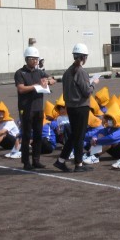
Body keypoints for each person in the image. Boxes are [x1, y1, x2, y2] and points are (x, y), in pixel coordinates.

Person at [54, 43, 96, 173]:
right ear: (84, 57)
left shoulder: (68, 72)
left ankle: (61, 160)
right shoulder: (81, 72)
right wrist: (93, 84)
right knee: (79, 136)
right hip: (81, 107)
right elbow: (87, 92)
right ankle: (78, 163)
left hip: (71, 107)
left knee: (74, 135)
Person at [15, 46, 55, 171]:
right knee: (26, 135)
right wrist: (36, 86)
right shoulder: (20, 73)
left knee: (38, 135)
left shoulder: (39, 72)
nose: (35, 61)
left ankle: (36, 160)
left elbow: (52, 79)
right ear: (27, 59)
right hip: (26, 108)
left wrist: (48, 81)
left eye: (37, 59)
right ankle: (26, 162)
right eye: (33, 59)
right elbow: (21, 89)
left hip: (38, 108)